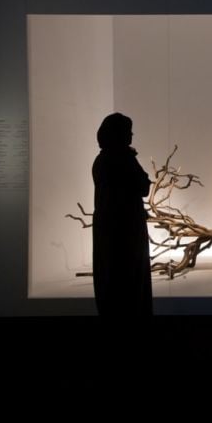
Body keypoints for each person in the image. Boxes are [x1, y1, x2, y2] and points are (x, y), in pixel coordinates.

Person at [92, 113, 153, 316]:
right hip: (127, 229)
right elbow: (143, 186)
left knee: (110, 279)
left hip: (108, 228)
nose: (131, 135)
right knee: (130, 281)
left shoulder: (101, 159)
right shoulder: (123, 159)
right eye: (128, 132)